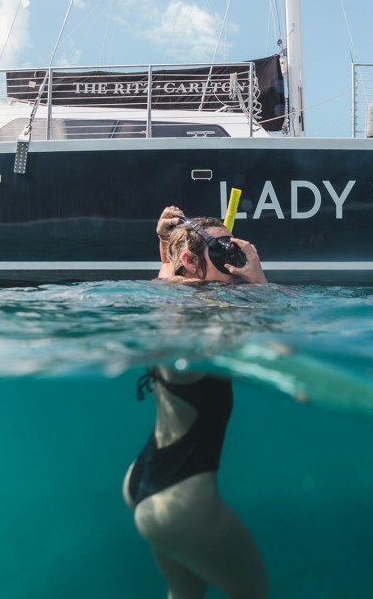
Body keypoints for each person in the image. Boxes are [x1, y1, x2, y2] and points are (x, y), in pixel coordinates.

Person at [123, 206, 268, 599]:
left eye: (233, 249)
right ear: (189, 260)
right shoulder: (197, 315)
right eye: (222, 250)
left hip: (148, 480)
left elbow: (175, 277)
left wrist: (163, 244)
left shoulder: (169, 292)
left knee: (185, 593)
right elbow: (280, 342)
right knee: (252, 593)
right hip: (179, 502)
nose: (233, 260)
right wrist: (259, 285)